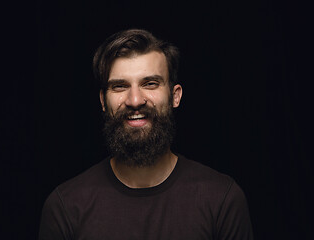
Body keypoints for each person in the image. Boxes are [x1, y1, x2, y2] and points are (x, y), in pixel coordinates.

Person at [38, 29, 253, 240]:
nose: (135, 100)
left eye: (150, 84)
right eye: (120, 86)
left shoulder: (221, 199)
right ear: (103, 101)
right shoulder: (66, 206)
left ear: (175, 96)